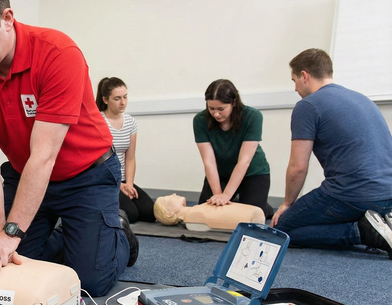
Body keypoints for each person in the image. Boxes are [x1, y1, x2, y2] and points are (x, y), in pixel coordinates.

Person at [0, 0, 137, 297]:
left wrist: (10, 233)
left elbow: (43, 157)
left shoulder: (58, 53)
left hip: (85, 174)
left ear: (7, 18)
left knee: (90, 282)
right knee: (21, 267)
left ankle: (119, 234)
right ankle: (71, 238)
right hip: (22, 173)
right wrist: (0, 238)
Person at [272, 48, 392, 258]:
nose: (295, 88)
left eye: (294, 80)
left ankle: (361, 232)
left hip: (353, 194)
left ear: (305, 75)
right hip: (388, 194)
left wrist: (287, 204)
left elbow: (298, 167)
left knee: (282, 229)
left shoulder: (308, 106)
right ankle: (380, 222)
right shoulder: (363, 99)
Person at [193, 79, 273, 218]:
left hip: (253, 173)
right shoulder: (200, 120)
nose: (216, 114)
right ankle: (235, 200)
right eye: (211, 108)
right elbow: (209, 161)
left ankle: (264, 206)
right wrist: (218, 195)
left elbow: (244, 161)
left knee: (250, 217)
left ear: (234, 103)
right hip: (221, 173)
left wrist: (226, 196)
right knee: (206, 214)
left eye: (221, 109)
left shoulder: (252, 116)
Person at [95, 77, 155, 223]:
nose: (123, 102)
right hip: (106, 180)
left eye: (125, 97)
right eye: (117, 98)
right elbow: (97, 161)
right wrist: (118, 185)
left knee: (149, 213)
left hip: (123, 179)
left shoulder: (130, 122)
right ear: (105, 99)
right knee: (131, 215)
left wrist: (128, 184)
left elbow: (130, 158)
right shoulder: (98, 122)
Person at [153, 193, 265, 231]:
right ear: (169, 214)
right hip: (250, 216)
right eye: (168, 198)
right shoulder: (194, 215)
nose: (173, 194)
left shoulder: (197, 209)